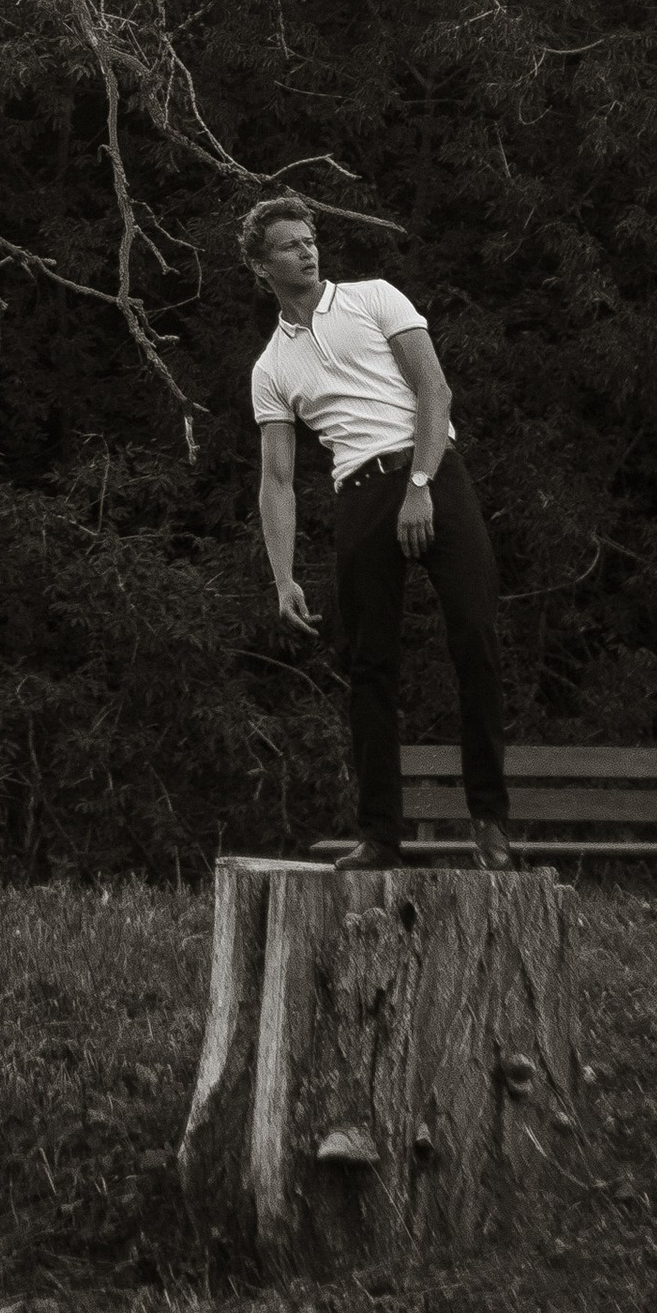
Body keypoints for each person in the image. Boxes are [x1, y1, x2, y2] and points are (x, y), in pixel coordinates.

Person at [241, 190, 512, 869]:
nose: (307, 249)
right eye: (289, 244)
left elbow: (435, 391)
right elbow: (277, 478)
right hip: (359, 493)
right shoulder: (270, 368)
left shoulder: (375, 297)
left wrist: (420, 485)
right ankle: (381, 836)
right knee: (369, 668)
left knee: (475, 638)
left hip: (433, 475)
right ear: (260, 266)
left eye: (310, 238)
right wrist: (282, 578)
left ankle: (489, 822)